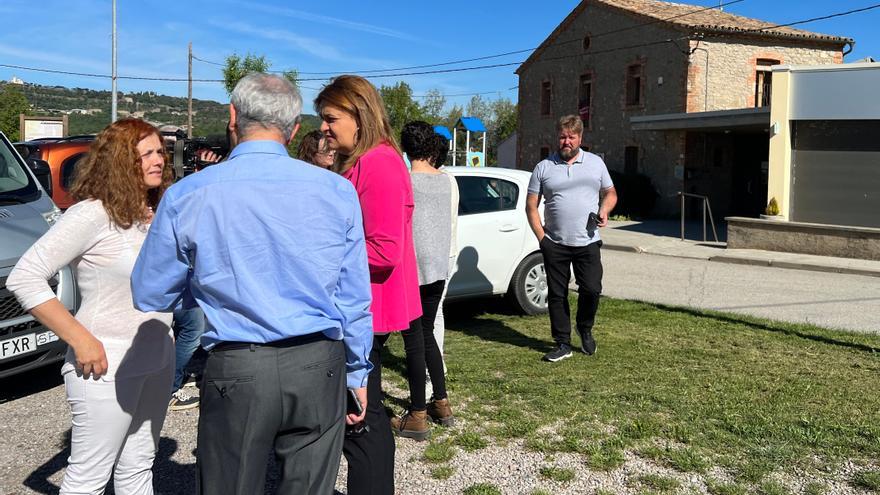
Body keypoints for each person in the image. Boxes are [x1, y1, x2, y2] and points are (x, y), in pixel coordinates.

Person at [131, 73, 372, 494]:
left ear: (232, 117)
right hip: (319, 362)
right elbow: (352, 296)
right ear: (295, 128)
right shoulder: (336, 191)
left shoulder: (189, 193)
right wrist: (357, 371)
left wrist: (205, 283)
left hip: (238, 365)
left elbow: (150, 291)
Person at [7, 118, 175, 494]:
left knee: (138, 468)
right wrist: (80, 339)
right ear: (119, 162)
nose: (158, 160)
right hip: (105, 364)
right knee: (88, 479)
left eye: (159, 151)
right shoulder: (92, 214)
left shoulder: (158, 212)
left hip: (158, 358)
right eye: (145, 153)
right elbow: (25, 276)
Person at [315, 74, 422, 495]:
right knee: (365, 418)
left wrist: (319, 259)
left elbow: (384, 250)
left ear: (358, 115)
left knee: (362, 423)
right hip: (364, 310)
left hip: (369, 312)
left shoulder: (377, 163)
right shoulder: (368, 160)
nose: (323, 127)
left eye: (330, 117)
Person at [525, 115, 618, 363]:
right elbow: (531, 206)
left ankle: (584, 328)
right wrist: (542, 238)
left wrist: (604, 210)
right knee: (557, 294)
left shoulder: (596, 164)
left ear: (580, 138)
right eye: (563, 137)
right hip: (554, 242)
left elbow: (610, 193)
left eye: (571, 137)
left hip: (587, 241)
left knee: (592, 289)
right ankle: (563, 343)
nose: (566, 141)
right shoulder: (543, 167)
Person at [392, 121, 459, 440]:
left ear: (405, 148)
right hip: (437, 270)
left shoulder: (405, 180)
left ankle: (418, 413)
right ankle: (441, 403)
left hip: (411, 271)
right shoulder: (445, 181)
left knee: (413, 341)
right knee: (428, 333)